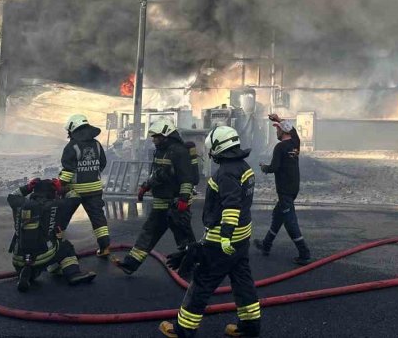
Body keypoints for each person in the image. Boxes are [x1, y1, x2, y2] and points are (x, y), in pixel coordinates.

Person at [159, 125, 260, 338]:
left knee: (202, 283)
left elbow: (231, 206)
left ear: (218, 147)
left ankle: (183, 329)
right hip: (242, 239)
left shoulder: (225, 173)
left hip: (223, 241)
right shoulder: (244, 167)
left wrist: (224, 238)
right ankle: (250, 326)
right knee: (242, 282)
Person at [116, 117, 196, 275]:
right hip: (161, 201)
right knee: (149, 232)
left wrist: (183, 199)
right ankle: (131, 264)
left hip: (176, 203)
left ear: (166, 135)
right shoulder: (161, 151)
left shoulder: (179, 152)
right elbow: (158, 174)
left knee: (184, 238)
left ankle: (195, 266)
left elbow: (187, 179)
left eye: (156, 137)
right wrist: (146, 186)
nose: (153, 140)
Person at [7, 178, 97, 292]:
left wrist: (27, 187)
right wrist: (62, 189)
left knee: (47, 251)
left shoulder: (21, 203)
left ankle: (27, 274)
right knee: (65, 246)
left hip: (18, 260)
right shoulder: (56, 205)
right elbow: (76, 198)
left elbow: (11, 195)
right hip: (43, 256)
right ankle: (74, 274)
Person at [253, 114, 311, 265]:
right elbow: (294, 132)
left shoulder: (279, 147)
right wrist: (278, 120)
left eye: (277, 129)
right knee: (277, 215)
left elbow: (274, 168)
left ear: (283, 132)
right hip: (293, 188)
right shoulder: (295, 143)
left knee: (290, 221)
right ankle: (266, 245)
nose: (276, 132)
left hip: (284, 189)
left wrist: (264, 167)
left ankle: (304, 253)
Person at [58, 114, 111, 256]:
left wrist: (59, 184)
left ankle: (54, 250)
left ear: (72, 130)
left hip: (74, 192)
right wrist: (92, 172)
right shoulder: (97, 144)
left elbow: (68, 171)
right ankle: (105, 248)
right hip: (95, 190)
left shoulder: (71, 146)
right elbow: (103, 163)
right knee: (98, 219)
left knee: (61, 219)